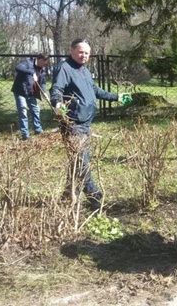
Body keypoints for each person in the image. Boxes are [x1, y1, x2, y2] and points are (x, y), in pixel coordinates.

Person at [50, 38, 131, 210]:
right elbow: (56, 90)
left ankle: (69, 196)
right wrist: (58, 105)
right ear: (71, 50)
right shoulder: (64, 68)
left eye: (87, 53)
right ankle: (96, 197)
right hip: (73, 124)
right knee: (82, 162)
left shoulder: (84, 71)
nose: (84, 55)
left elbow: (95, 90)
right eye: (80, 52)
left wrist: (116, 97)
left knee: (77, 161)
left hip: (85, 123)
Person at [11, 53, 50, 140]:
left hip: (31, 93)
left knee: (36, 110)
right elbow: (18, 68)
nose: (45, 65)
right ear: (40, 60)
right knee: (23, 111)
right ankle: (25, 134)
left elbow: (42, 82)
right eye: (45, 63)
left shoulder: (42, 70)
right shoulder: (28, 63)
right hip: (21, 91)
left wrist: (44, 92)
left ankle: (38, 130)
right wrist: (32, 72)